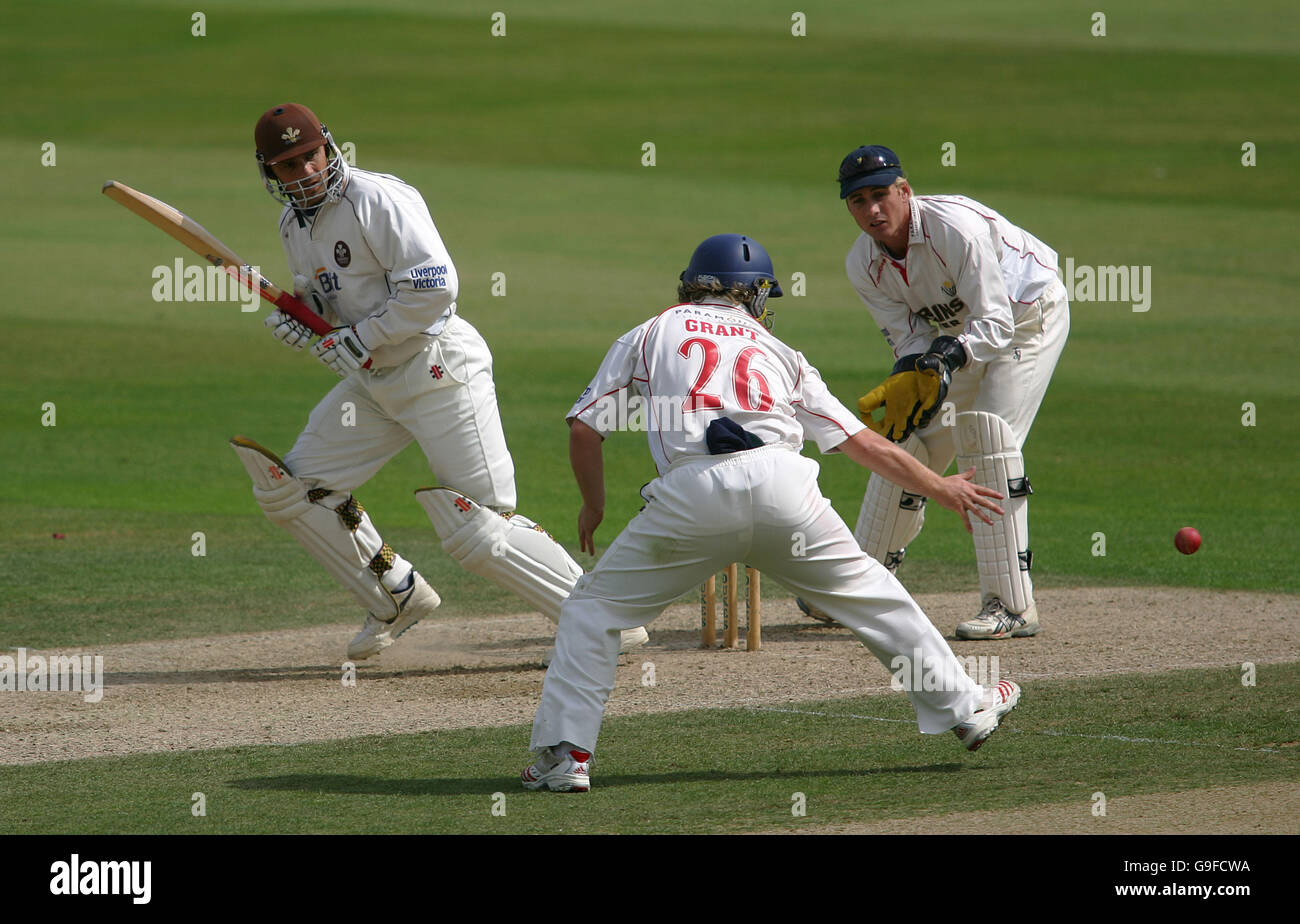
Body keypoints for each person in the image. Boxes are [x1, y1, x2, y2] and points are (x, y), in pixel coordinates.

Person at [521, 234, 1021, 793]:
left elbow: (586, 429)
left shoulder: (651, 331)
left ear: (691, 284)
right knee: (875, 595)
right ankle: (966, 707)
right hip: (787, 489)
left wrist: (594, 505)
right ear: (754, 294)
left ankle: (566, 757)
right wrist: (940, 485)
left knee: (593, 611)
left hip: (693, 497)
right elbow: (860, 443)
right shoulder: (779, 351)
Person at [231, 103, 648, 661]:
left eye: (311, 156)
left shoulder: (376, 200)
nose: (305, 171)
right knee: (293, 491)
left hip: (437, 368)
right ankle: (394, 592)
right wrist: (300, 310)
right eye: (289, 164)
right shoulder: (292, 225)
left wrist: (361, 337)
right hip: (374, 382)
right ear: (269, 172)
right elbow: (333, 300)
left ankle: (607, 622)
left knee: (480, 530)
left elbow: (434, 288)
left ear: (329, 147)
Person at [798, 145, 1070, 641]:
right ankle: (858, 588)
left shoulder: (954, 231)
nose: (873, 210)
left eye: (882, 195)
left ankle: (1011, 605)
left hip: (1026, 316)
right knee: (910, 439)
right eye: (858, 201)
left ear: (905, 191)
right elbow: (910, 339)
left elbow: (997, 324)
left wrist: (942, 360)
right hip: (961, 333)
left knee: (988, 440)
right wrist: (915, 374)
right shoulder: (863, 264)